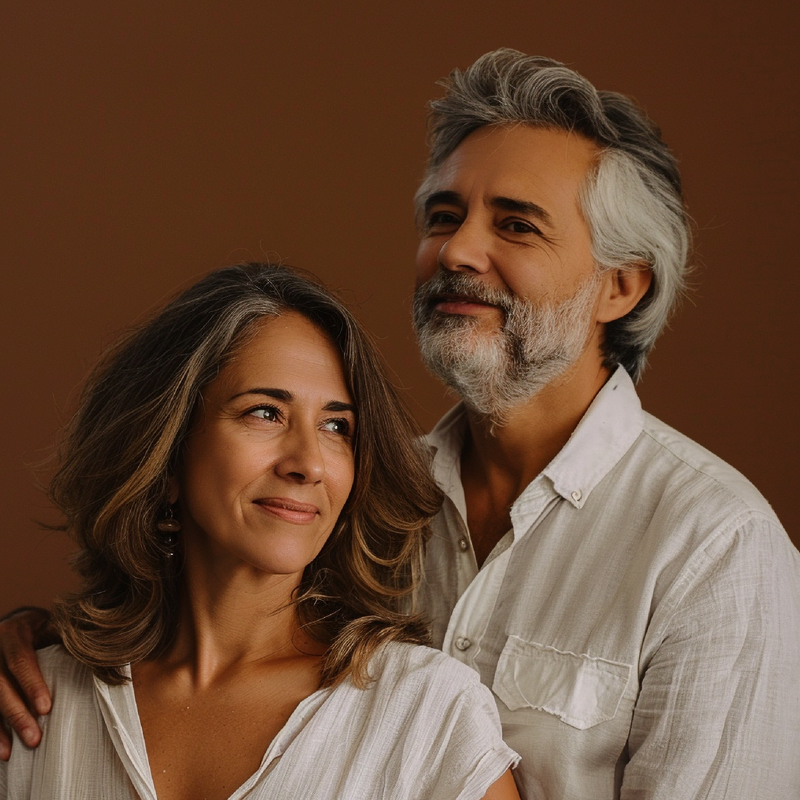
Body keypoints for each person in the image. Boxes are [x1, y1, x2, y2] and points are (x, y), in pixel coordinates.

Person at [2, 48, 800, 799]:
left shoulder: (715, 549)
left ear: (621, 287)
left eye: (515, 224)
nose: (457, 251)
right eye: (443, 216)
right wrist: (44, 648)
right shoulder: (357, 501)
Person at [0, 263, 520, 799]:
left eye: (336, 426)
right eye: (265, 413)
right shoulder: (36, 698)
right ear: (169, 449)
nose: (309, 463)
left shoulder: (425, 713)